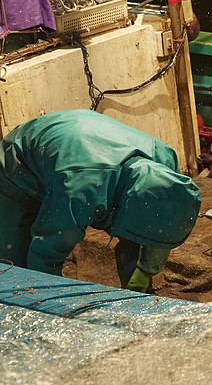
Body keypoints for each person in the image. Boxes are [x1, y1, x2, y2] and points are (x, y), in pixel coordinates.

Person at [0, 109, 201, 293]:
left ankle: (134, 292)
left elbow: (158, 233)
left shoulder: (168, 170)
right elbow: (46, 252)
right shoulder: (82, 189)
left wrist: (146, 271)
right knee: (16, 266)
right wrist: (48, 300)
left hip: (80, 146)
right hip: (20, 163)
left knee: (136, 232)